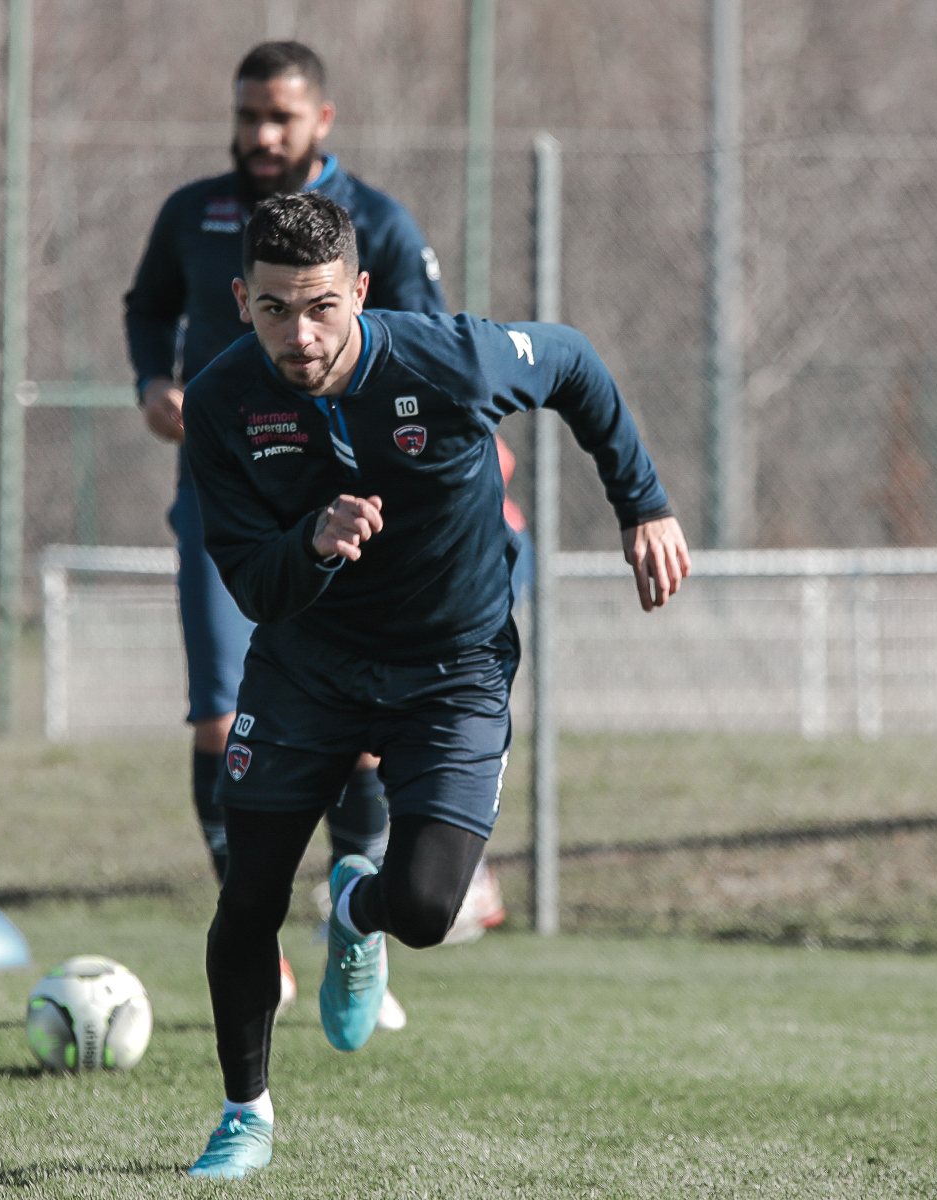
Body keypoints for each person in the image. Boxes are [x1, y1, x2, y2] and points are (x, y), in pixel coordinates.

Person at [179, 193, 690, 1179]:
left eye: (322, 305)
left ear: (361, 291)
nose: (301, 332)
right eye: (276, 308)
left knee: (422, 907)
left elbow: (574, 364)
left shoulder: (445, 359)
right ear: (242, 300)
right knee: (245, 898)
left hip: (452, 670)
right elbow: (248, 576)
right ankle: (245, 1118)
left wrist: (643, 503)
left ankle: (357, 914)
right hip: (306, 670)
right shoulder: (220, 402)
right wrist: (313, 545)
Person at [123, 41, 475, 1023]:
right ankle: (259, 943)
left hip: (354, 507)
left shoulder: (381, 226)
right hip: (228, 500)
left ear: (324, 119)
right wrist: (153, 380)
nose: (259, 136)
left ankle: (350, 929)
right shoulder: (193, 215)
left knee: (360, 731)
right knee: (217, 713)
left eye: (280, 117)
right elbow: (147, 308)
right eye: (246, 117)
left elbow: (436, 354)